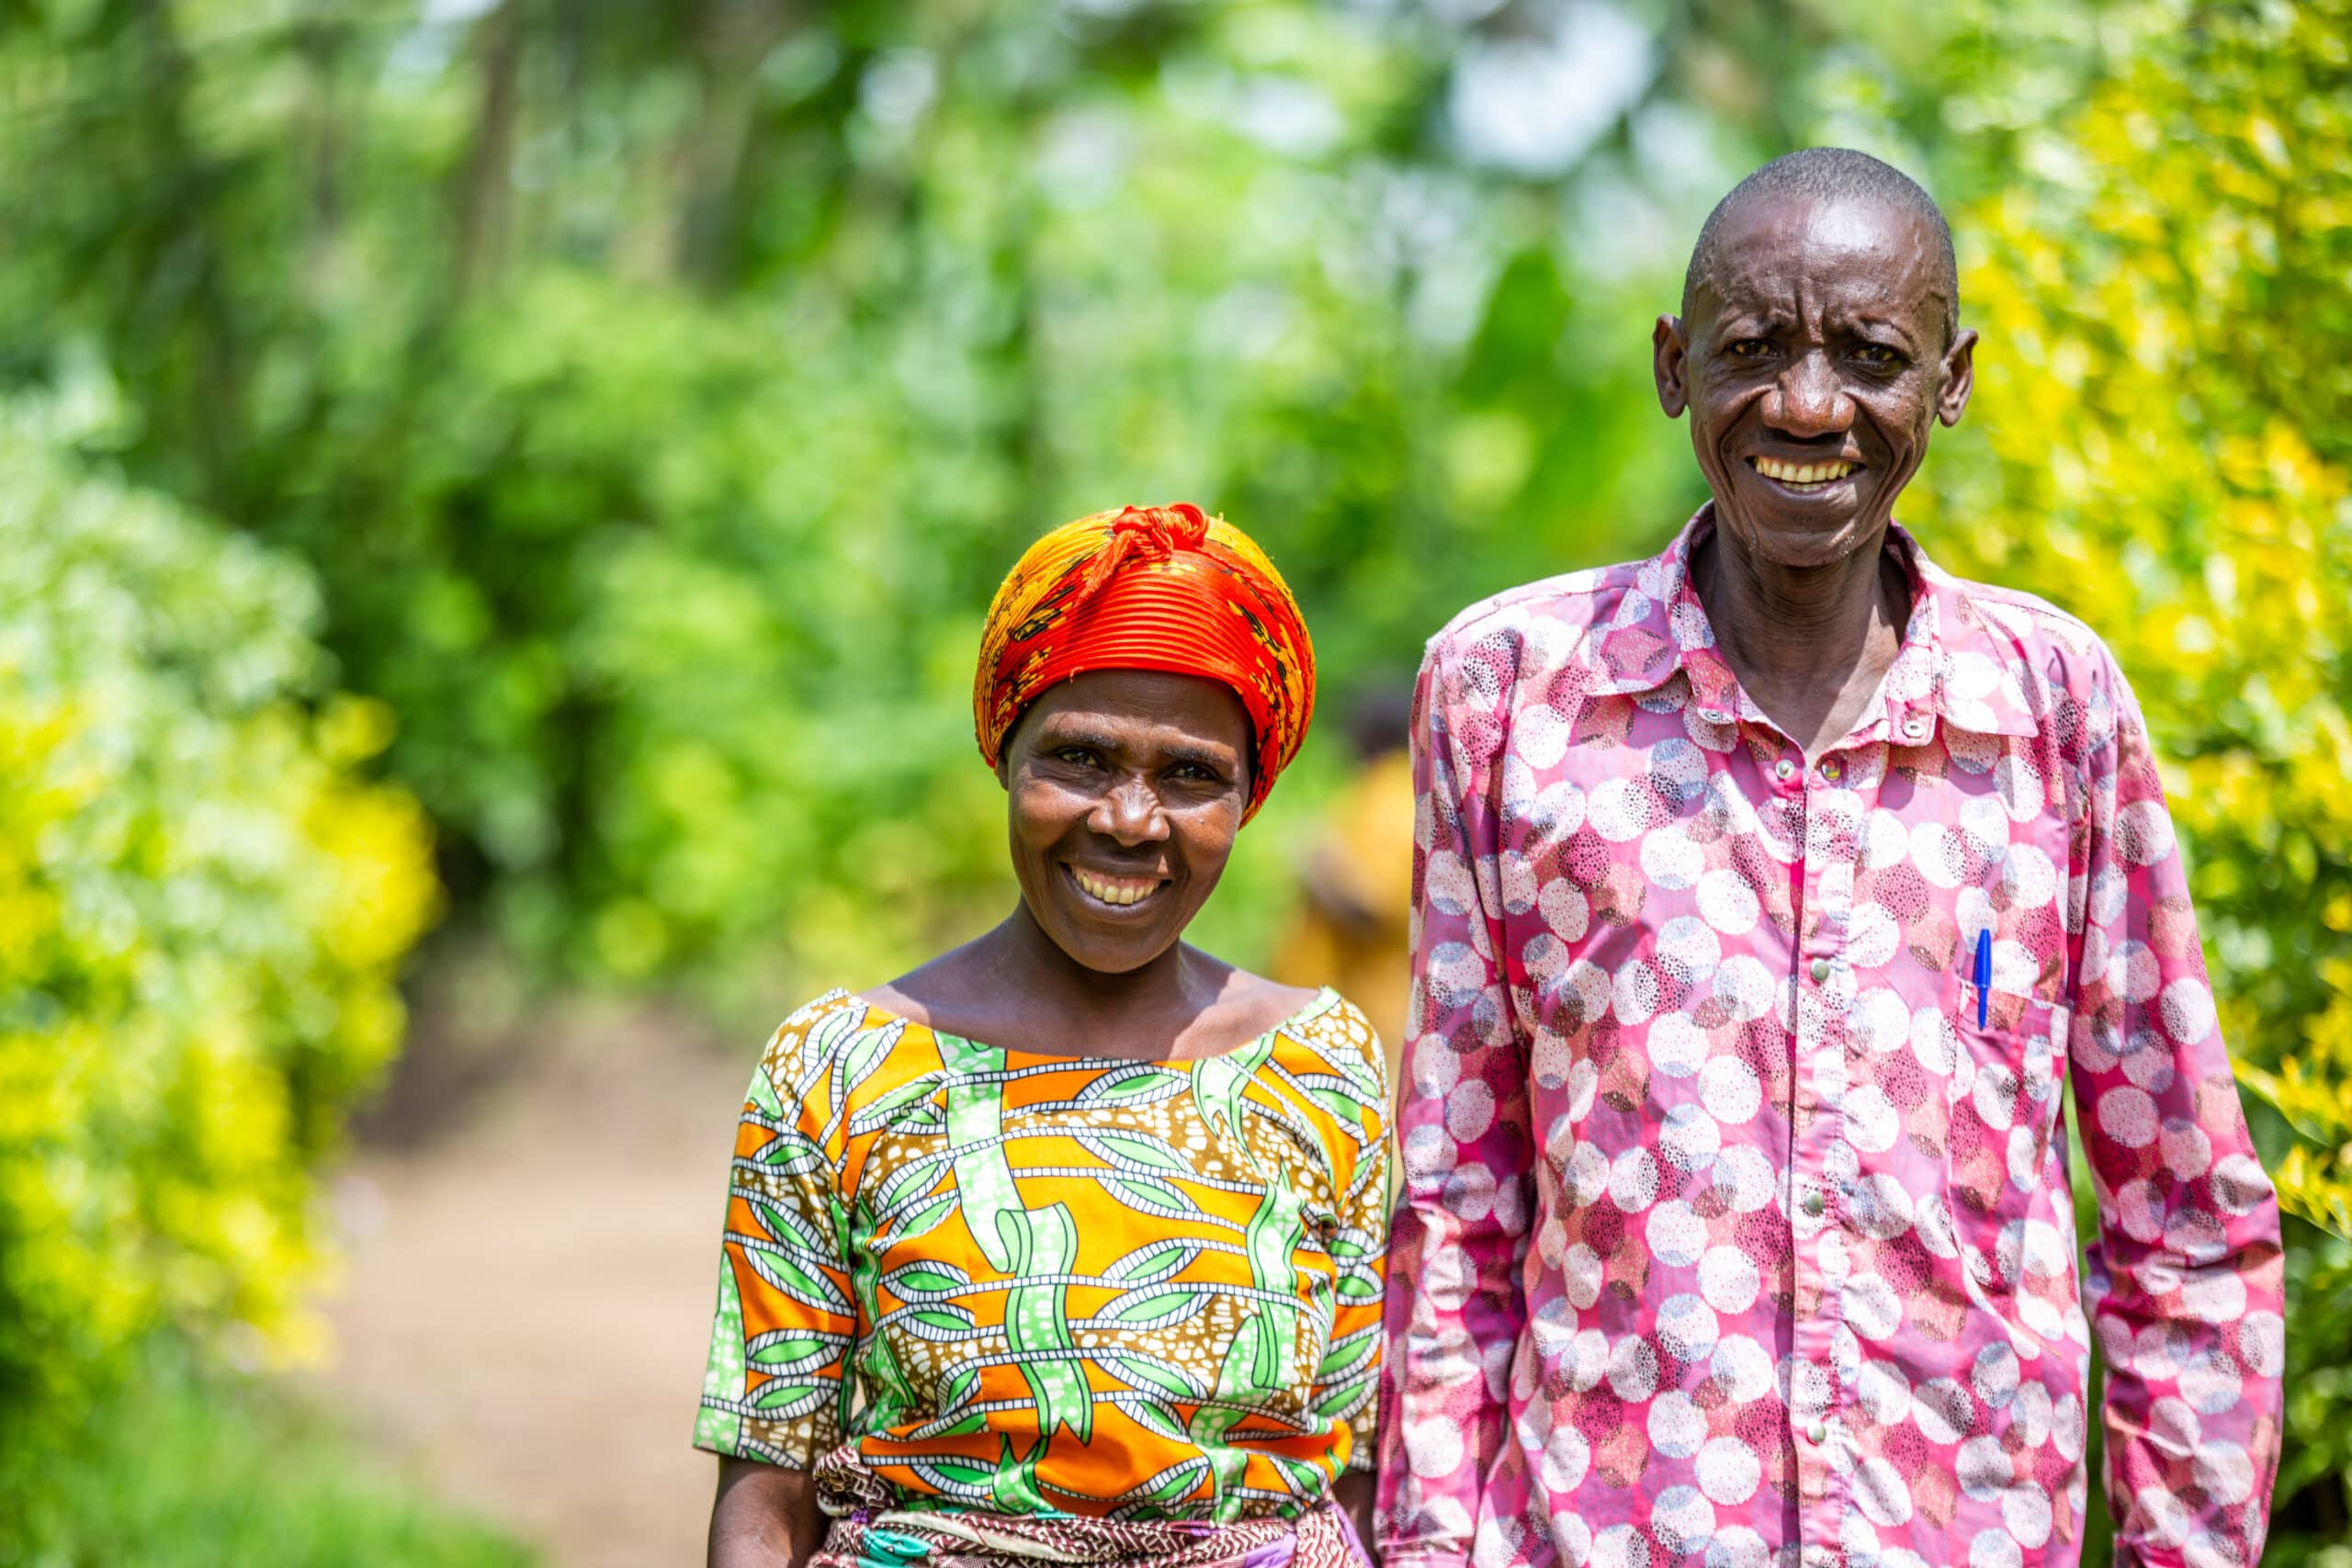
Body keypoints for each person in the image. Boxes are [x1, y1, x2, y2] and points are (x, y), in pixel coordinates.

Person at [1377, 149, 2282, 1568]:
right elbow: (1456, 1209)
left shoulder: (2052, 706)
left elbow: (2183, 1218)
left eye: (1870, 355)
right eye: (1754, 348)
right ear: (1675, 366)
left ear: (1951, 379)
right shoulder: (1508, 693)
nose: (1808, 405)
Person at [695, 503, 1389, 1568]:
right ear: (1004, 754)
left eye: (1191, 774)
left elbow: (1355, 1466)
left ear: (1249, 798)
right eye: (1078, 758)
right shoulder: (837, 1067)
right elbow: (768, 1479)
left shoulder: (1321, 1065)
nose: (1128, 819)